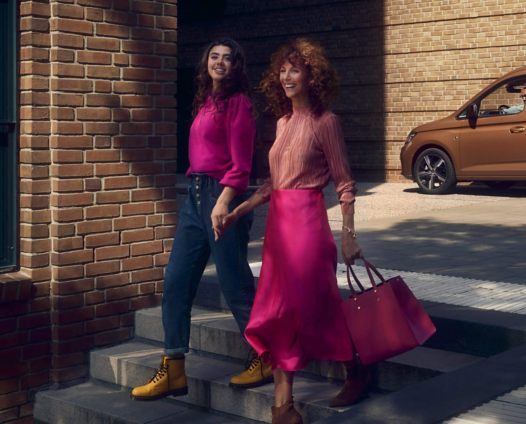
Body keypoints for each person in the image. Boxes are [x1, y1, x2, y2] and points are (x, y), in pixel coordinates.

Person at [219, 38, 368, 424]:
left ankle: (356, 369)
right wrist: (237, 212)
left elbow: (345, 184)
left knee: (313, 306)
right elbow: (272, 184)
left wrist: (348, 234)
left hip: (307, 225)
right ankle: (283, 408)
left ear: (311, 75)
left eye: (295, 69)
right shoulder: (283, 122)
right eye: (282, 70)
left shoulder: (326, 122)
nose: (286, 76)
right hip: (278, 230)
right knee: (278, 311)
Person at [131, 39, 273, 401]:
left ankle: (265, 354)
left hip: (220, 197)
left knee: (234, 284)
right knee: (176, 281)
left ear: (236, 65)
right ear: (206, 62)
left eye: (228, 58)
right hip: (194, 198)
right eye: (214, 56)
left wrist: (223, 202)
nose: (220, 62)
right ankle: (173, 368)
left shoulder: (238, 103)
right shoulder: (206, 101)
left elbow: (241, 165)